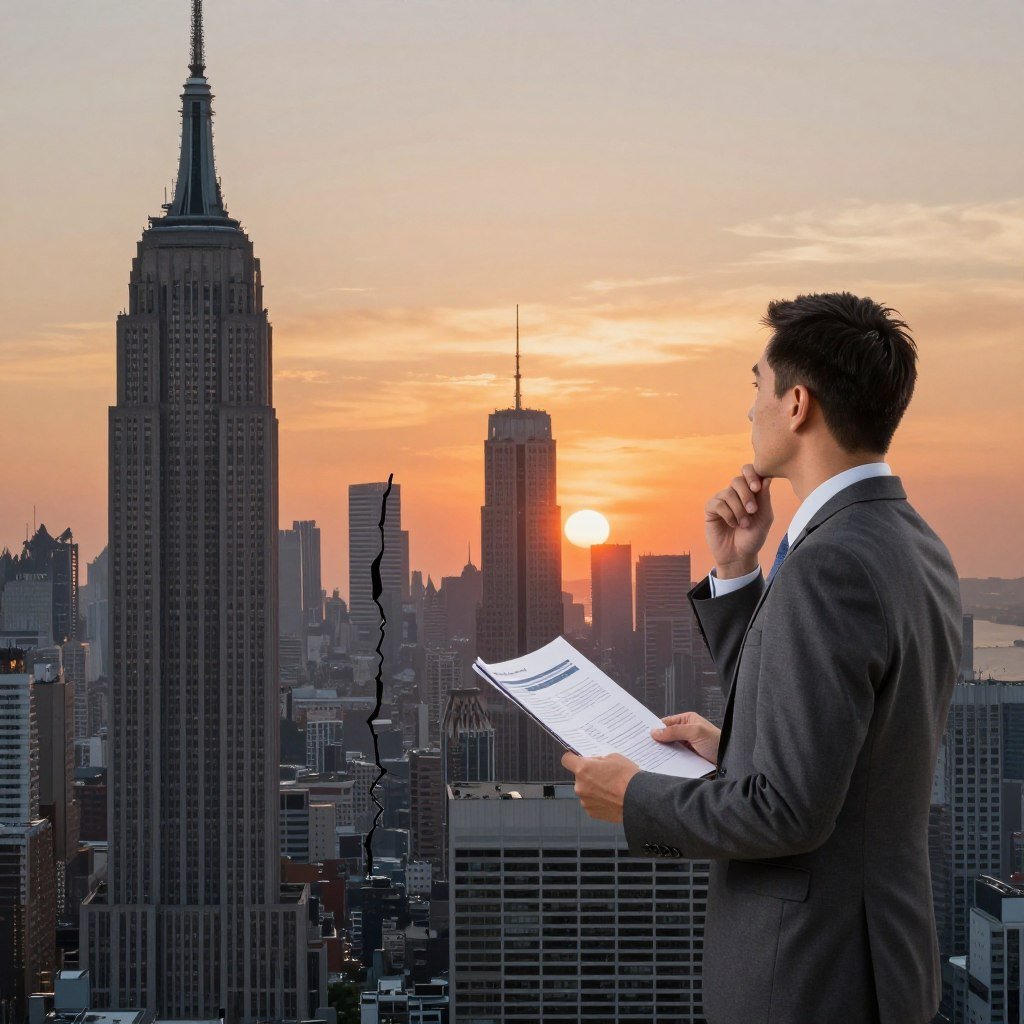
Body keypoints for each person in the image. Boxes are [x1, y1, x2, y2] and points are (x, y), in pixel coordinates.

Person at [560, 292, 963, 1024]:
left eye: (757, 386)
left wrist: (634, 797)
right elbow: (855, 745)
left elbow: (787, 814)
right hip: (882, 965)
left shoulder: (829, 563)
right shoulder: (911, 542)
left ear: (798, 404)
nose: (751, 410)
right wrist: (740, 571)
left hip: (812, 976)